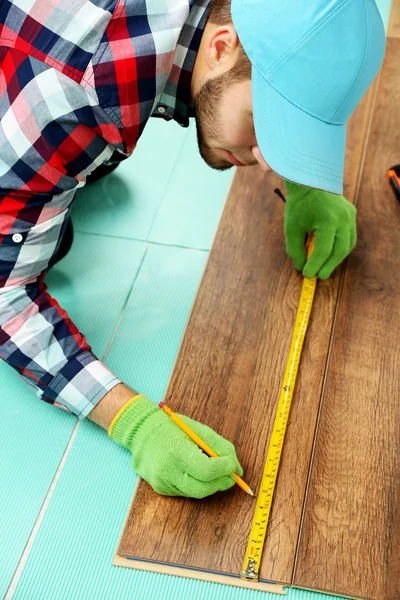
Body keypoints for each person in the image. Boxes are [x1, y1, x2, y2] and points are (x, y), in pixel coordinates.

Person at [0, 0, 385, 499]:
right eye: (265, 125)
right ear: (222, 45)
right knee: (48, 242)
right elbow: (8, 296)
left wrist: (305, 177)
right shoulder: (72, 94)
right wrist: (130, 420)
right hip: (35, 84)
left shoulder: (234, 25)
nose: (266, 163)